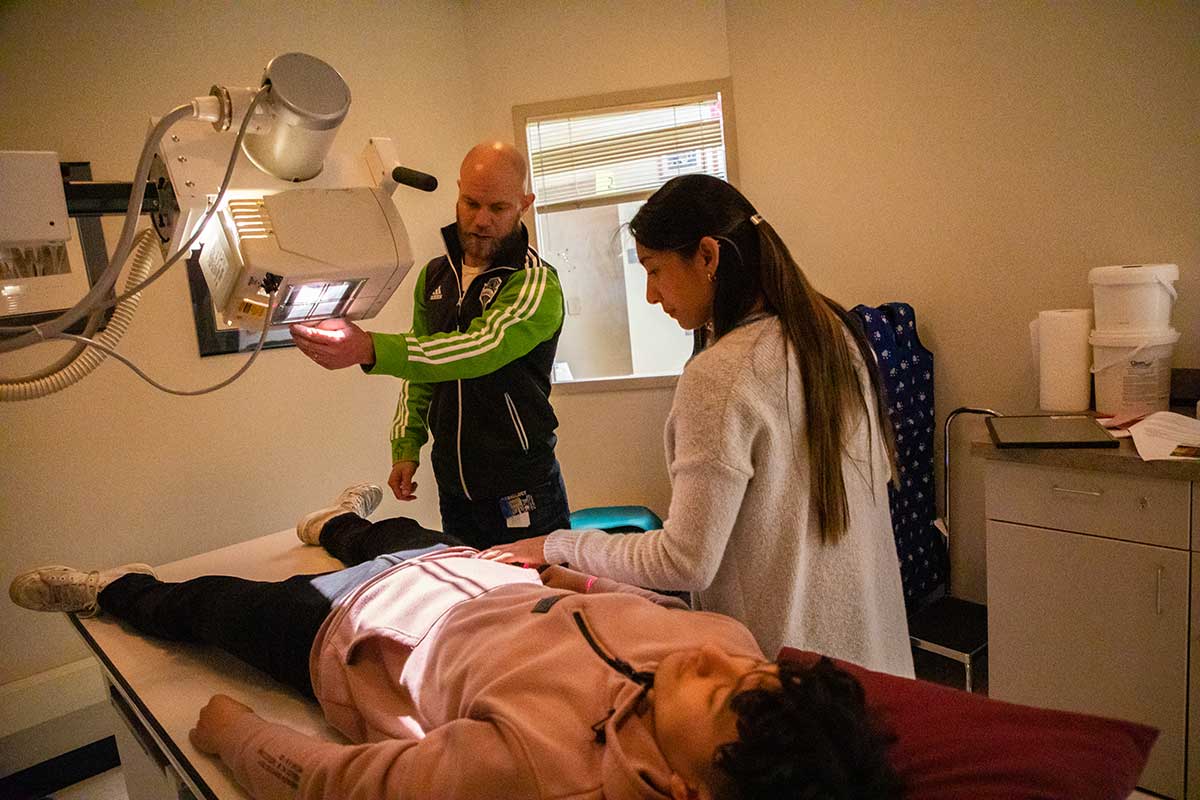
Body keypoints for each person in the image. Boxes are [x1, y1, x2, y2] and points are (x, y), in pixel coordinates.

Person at [10, 485, 903, 800]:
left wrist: (236, 735)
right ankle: (340, 522)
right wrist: (562, 578)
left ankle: (110, 590)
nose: (708, 657)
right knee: (396, 533)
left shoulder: (538, 769)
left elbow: (342, 784)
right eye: (743, 666)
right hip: (485, 582)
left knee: (207, 606)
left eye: (713, 692)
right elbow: (640, 608)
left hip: (352, 631)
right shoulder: (725, 636)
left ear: (683, 788)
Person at [486, 174, 914, 677]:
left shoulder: (723, 374)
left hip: (789, 687)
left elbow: (684, 560)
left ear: (708, 257)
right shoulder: (835, 334)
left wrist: (555, 545)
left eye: (655, 270)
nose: (650, 295)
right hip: (881, 673)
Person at [289, 141, 569, 550]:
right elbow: (423, 365)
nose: (481, 220)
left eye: (498, 208)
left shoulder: (536, 283)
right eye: (471, 203)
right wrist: (406, 444)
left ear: (524, 204)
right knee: (468, 601)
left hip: (521, 485)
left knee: (539, 601)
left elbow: (478, 349)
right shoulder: (434, 278)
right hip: (454, 487)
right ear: (457, 192)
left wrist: (370, 348)